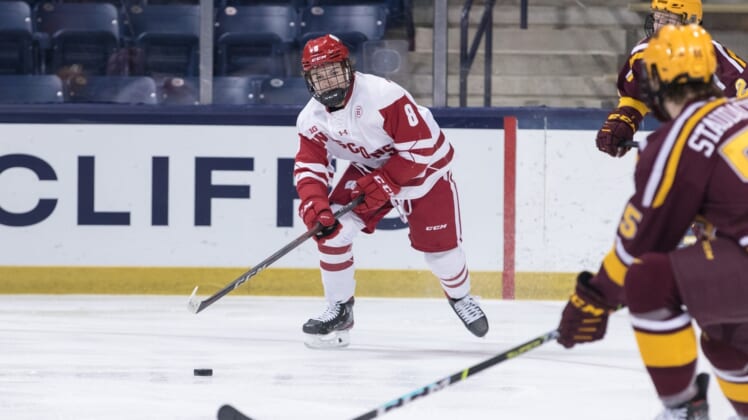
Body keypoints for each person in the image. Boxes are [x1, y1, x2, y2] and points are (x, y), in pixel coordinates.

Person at [556, 24, 748, 419]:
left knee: (651, 279)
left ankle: (682, 409)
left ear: (656, 87)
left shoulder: (680, 139)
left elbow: (639, 243)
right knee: (724, 338)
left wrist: (593, 299)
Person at [293, 34, 489, 349]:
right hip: (371, 167)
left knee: (441, 253)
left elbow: (420, 148)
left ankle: (460, 296)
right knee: (330, 232)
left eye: (333, 70)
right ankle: (340, 310)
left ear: (348, 67)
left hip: (424, 168)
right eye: (319, 75)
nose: (327, 80)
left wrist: (386, 182)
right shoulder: (310, 119)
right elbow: (310, 167)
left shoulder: (383, 95)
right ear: (309, 80)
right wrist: (315, 204)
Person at [595, 0, 748, 158]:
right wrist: (623, 121)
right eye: (657, 18)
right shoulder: (643, 55)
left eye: (668, 21)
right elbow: (634, 97)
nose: (660, 28)